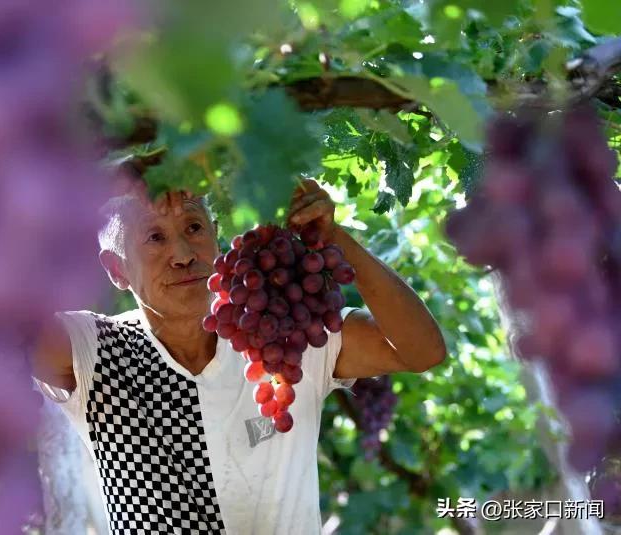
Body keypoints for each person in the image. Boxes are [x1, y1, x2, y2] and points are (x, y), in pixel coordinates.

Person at [31, 178, 446, 535]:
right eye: (155, 237)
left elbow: (423, 351)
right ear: (116, 269)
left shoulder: (284, 333)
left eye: (194, 227)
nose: (183, 254)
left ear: (216, 235)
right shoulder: (92, 348)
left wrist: (335, 239)